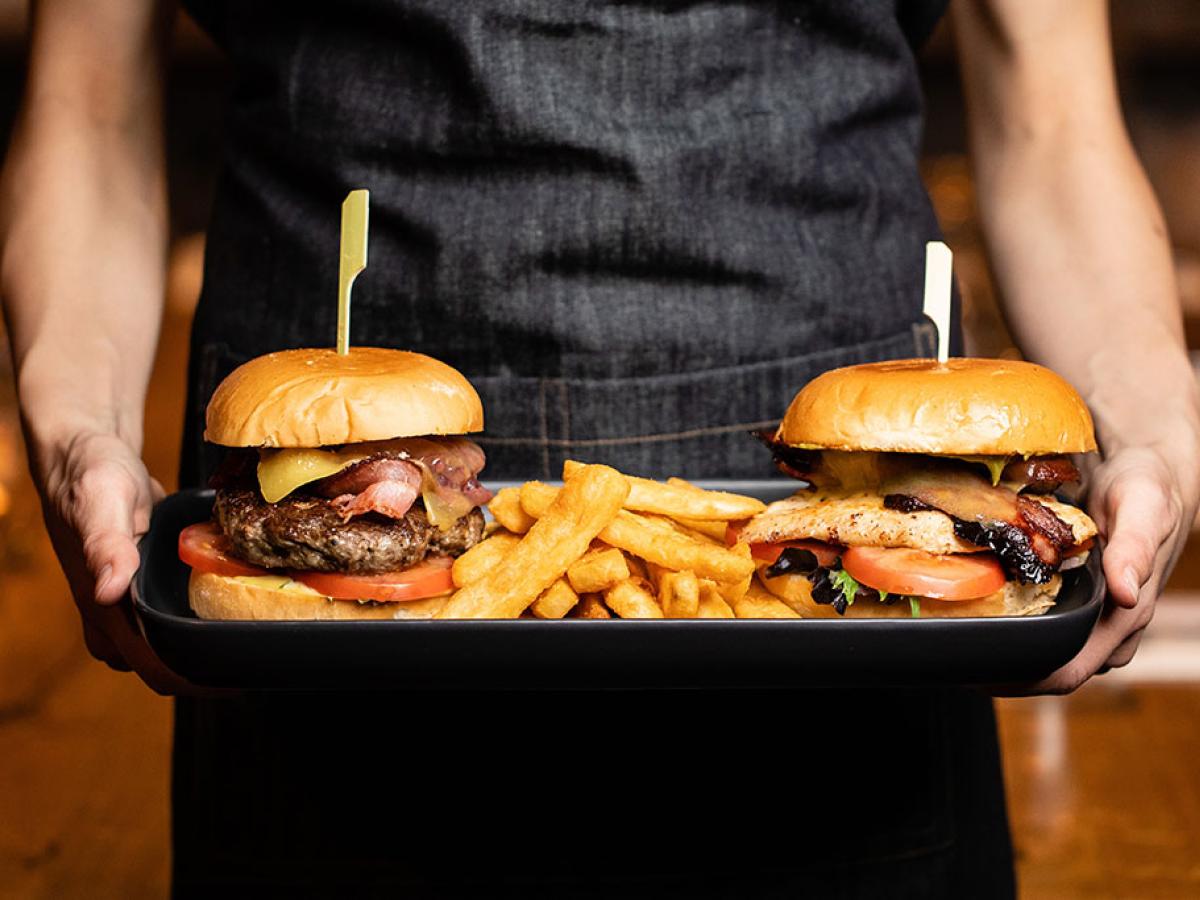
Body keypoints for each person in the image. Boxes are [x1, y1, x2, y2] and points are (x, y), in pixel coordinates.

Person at [3, 0, 1196, 896]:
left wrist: (1153, 425)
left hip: (853, 653)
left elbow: (1051, 117)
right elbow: (87, 102)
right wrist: (77, 433)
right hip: (314, 648)